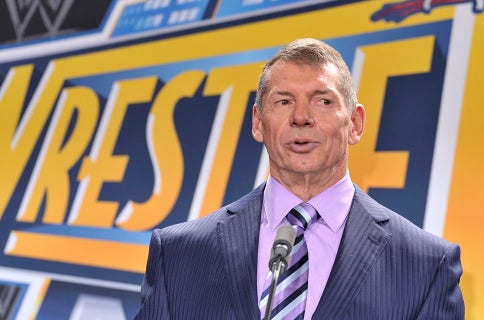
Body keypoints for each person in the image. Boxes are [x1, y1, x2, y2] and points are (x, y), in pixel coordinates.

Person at [135, 38, 464, 319]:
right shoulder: (178, 254)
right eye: (283, 101)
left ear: (355, 123)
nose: (301, 117)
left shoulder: (426, 267)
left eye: (323, 101)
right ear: (258, 123)